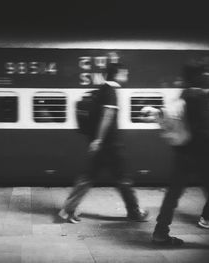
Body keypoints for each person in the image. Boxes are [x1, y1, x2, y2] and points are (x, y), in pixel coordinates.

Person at [59, 62, 149, 223]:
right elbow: (107, 116)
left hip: (102, 145)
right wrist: (100, 140)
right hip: (110, 145)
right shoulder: (110, 91)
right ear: (118, 73)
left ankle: (68, 210)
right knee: (122, 179)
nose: (126, 75)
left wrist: (96, 140)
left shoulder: (102, 90)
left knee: (88, 178)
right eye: (125, 72)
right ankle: (134, 212)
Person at [144, 63, 209, 246]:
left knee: (172, 195)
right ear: (199, 76)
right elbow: (204, 130)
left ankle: (160, 233)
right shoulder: (200, 97)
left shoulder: (184, 95)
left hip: (183, 154)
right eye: (205, 73)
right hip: (202, 155)